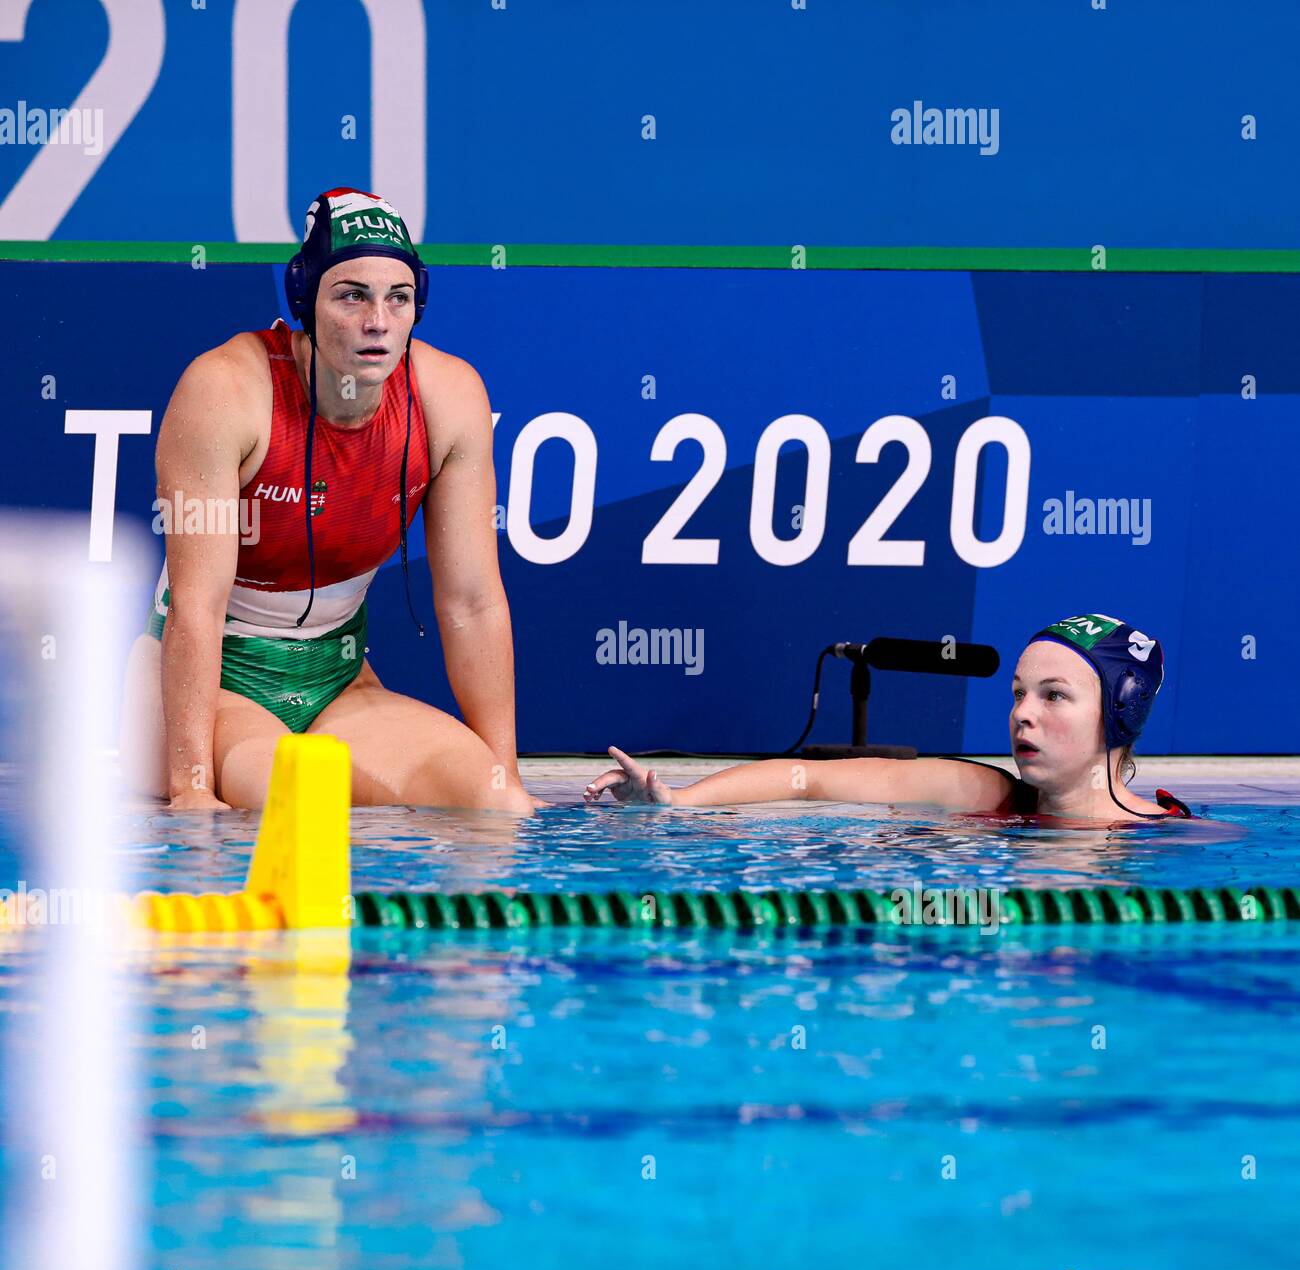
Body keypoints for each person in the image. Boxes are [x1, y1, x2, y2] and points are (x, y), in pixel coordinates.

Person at [119, 187, 532, 814]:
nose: (378, 322)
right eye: (352, 296)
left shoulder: (448, 398)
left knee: (495, 804)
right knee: (300, 802)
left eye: (398, 299)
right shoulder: (226, 391)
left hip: (338, 681)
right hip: (206, 689)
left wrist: (505, 772)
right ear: (305, 301)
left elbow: (473, 603)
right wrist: (192, 788)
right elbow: (195, 608)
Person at [583, 615, 1194, 823]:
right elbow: (807, 780)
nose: (1021, 715)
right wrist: (678, 803)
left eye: (1053, 696)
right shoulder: (986, 792)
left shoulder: (1172, 840)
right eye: (1017, 693)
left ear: (1119, 712)